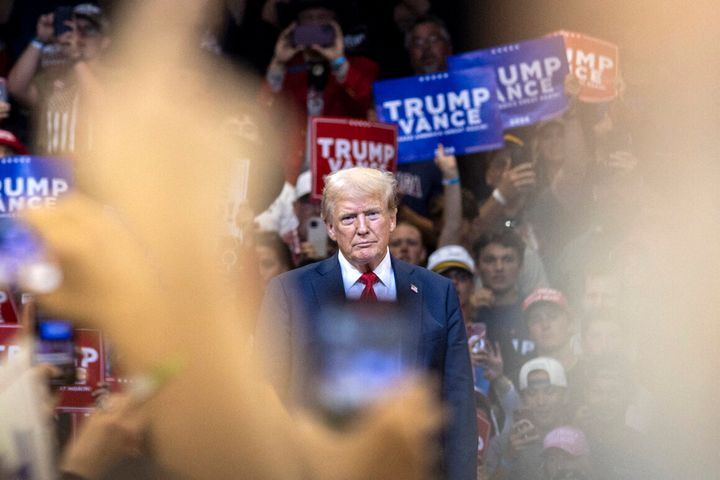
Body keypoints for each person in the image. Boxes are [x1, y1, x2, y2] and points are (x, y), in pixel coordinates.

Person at [256, 166, 477, 480]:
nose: (362, 228)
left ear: (392, 219)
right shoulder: (288, 292)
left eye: (372, 214)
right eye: (348, 218)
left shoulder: (437, 292)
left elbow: (458, 408)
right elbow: (265, 400)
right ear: (331, 227)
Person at [7, 3, 111, 157]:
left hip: (94, 173)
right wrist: (40, 39)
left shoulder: (116, 78)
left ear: (105, 42)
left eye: (89, 30)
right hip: (50, 174)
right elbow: (16, 88)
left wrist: (76, 58)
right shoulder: (55, 76)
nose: (79, 35)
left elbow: (106, 108)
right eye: (74, 28)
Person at [487, 357, 570, 480]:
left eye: (550, 391)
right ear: (522, 400)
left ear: (565, 396)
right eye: (531, 393)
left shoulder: (581, 441)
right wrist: (508, 459)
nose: (541, 401)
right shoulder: (500, 445)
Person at [472, 229, 535, 376]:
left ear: (521, 266)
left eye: (507, 260)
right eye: (490, 260)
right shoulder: (465, 314)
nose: (499, 268)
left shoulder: (534, 311)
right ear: (477, 267)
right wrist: (467, 313)